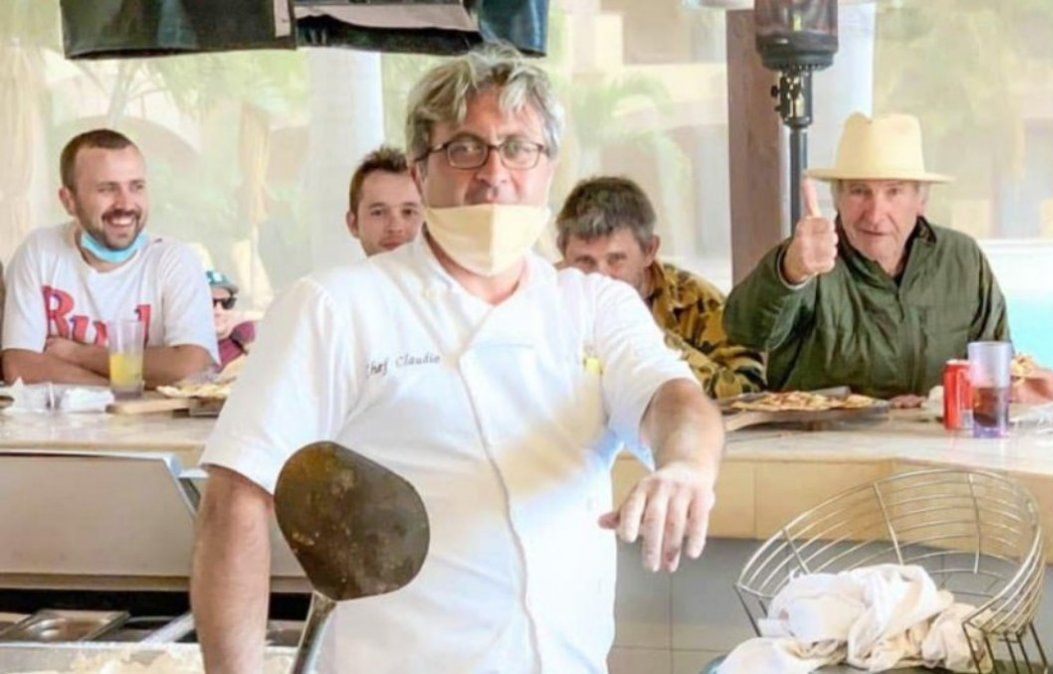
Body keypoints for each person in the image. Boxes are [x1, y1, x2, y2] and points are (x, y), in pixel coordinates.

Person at [191, 45, 723, 674]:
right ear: (420, 172)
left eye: (519, 148)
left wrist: (686, 467)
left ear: (549, 168)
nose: (494, 172)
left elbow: (674, 399)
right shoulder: (337, 307)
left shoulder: (592, 305)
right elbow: (237, 499)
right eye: (465, 148)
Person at [724, 112, 1009, 404]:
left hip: (935, 443)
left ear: (920, 200)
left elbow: (997, 368)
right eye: (860, 192)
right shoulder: (808, 258)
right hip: (821, 444)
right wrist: (790, 271)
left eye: (893, 192)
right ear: (837, 199)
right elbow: (745, 331)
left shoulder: (962, 259)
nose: (874, 215)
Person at [1, 129, 216, 388]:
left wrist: (78, 355)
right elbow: (19, 365)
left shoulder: (175, 261)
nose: (126, 204)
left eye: (136, 187)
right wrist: (119, 389)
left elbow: (190, 367)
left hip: (149, 428)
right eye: (107, 189)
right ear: (69, 201)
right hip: (55, 428)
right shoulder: (40, 251)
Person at [557, 175, 765, 399]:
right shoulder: (539, 301)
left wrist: (649, 338)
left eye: (616, 259)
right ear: (562, 250)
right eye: (585, 262)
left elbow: (749, 392)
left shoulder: (694, 299)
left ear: (649, 250)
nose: (600, 276)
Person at [344, 145, 424, 256]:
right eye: (378, 213)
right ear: (353, 224)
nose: (395, 227)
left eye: (408, 212)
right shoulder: (336, 274)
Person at [207, 270, 255, 373]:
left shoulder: (247, 334)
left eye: (227, 303)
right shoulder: (185, 354)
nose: (219, 311)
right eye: (208, 302)